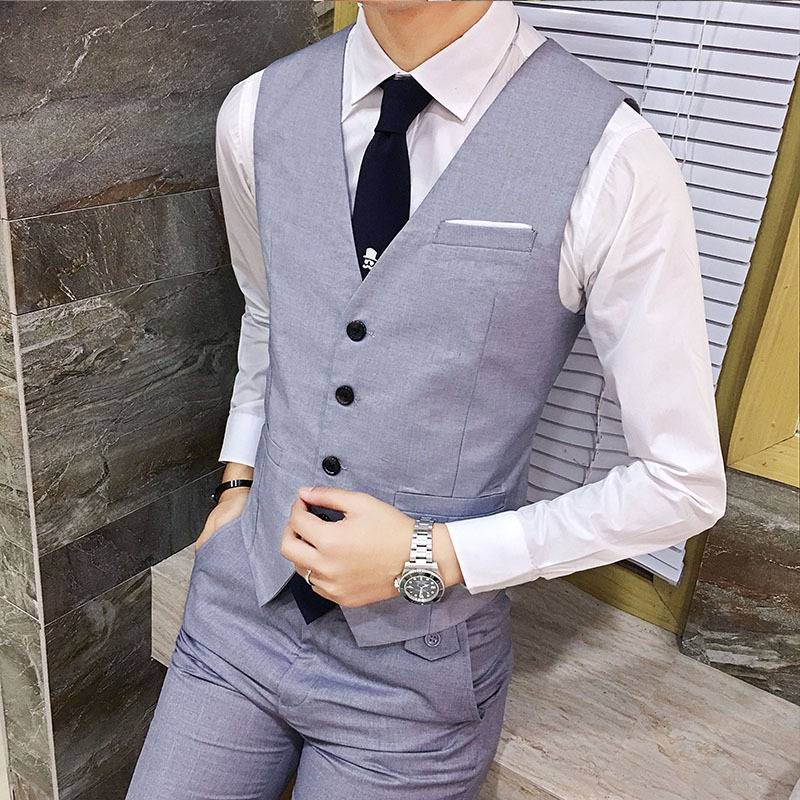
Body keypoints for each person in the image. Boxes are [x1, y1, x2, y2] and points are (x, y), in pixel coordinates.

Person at [126, 1, 727, 798]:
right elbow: (271, 313)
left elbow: (682, 483)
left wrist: (433, 557)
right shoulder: (256, 110)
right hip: (238, 615)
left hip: (416, 680)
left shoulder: (613, 158)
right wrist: (238, 481)